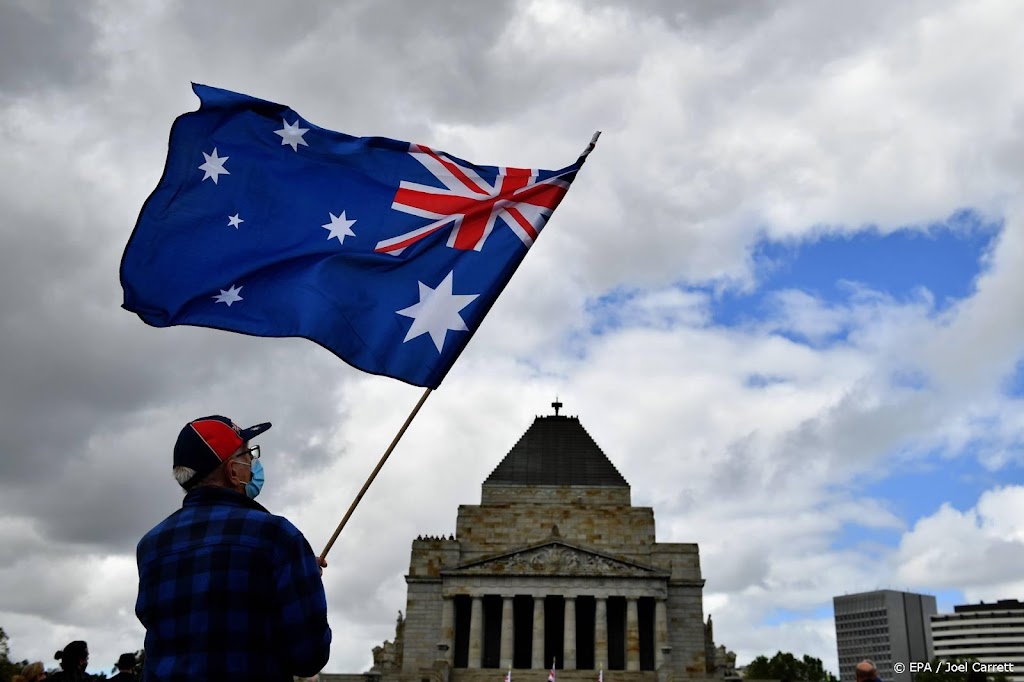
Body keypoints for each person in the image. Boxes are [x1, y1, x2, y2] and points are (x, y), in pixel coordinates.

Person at [135, 415, 331, 681]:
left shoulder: (150, 546)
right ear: (231, 470)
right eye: (248, 456)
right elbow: (308, 656)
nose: (253, 464)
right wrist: (305, 580)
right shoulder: (276, 536)